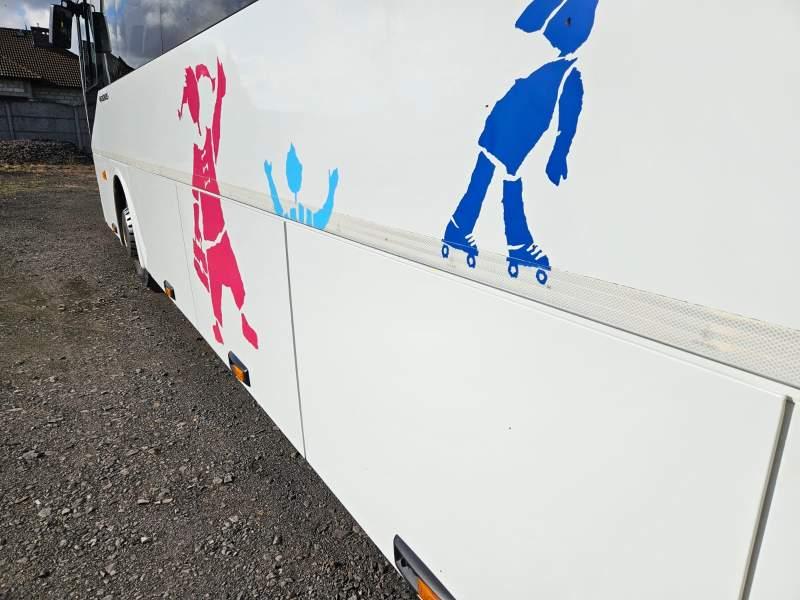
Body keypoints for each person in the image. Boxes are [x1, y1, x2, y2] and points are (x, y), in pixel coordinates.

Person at [441, 0, 599, 285]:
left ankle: (461, 227)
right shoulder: (564, 69)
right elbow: (568, 119)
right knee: (506, 177)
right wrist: (558, 154)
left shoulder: (556, 64)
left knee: (489, 170)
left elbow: (568, 118)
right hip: (517, 128)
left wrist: (559, 154)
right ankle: (515, 243)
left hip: (507, 119)